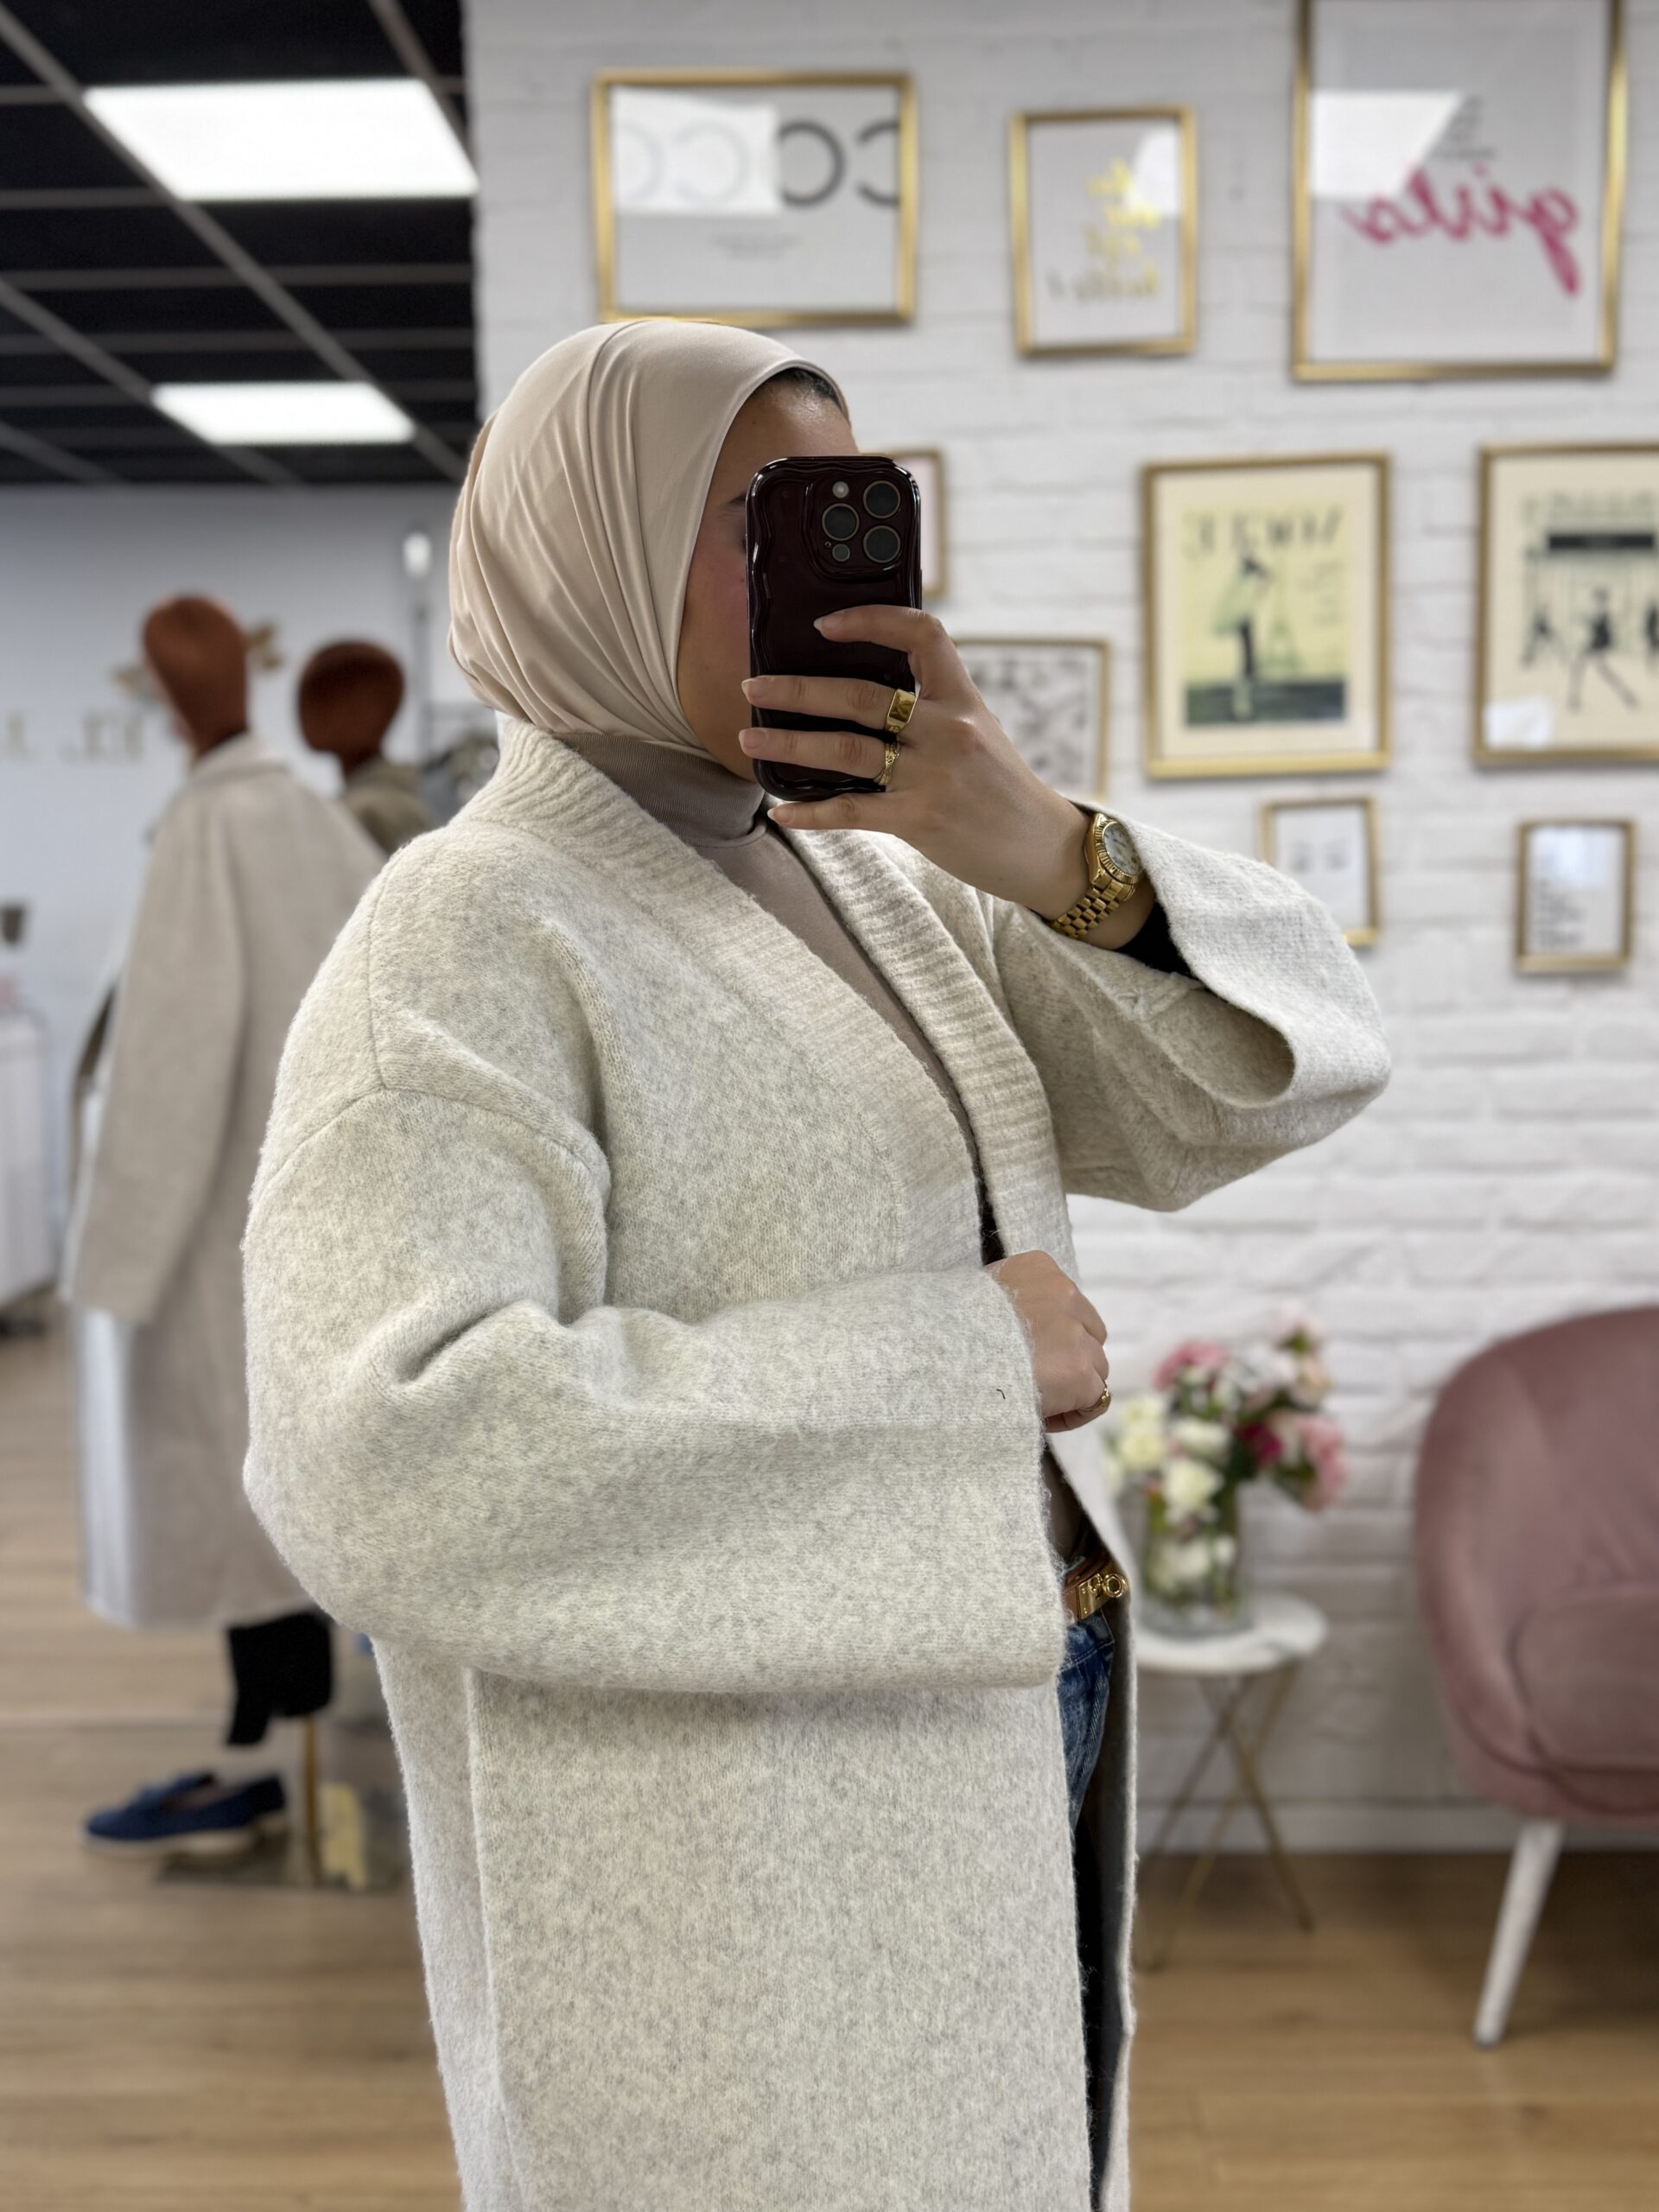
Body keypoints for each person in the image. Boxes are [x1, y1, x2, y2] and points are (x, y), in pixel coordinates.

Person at [240, 323, 1389, 2211]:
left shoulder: (867, 869)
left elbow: (1265, 1084)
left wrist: (1044, 844)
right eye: (764, 520)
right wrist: (967, 1362)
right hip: (720, 1854)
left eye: (855, 507)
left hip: (992, 1728)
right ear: (592, 551)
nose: (837, 573)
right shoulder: (462, 930)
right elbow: (388, 1452)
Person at [62, 594, 381, 1856]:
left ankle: (261, 1771)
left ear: (168, 700)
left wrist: (116, 1261)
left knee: (233, 1494)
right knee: (283, 1493)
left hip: (213, 1232)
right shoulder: (309, 818)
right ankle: (272, 1751)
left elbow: (166, 1068)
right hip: (318, 1216)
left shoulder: (210, 830)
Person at [296, 638, 437, 855]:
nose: (302, 714)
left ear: (359, 708)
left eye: (319, 697)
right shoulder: (399, 797)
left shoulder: (361, 813)